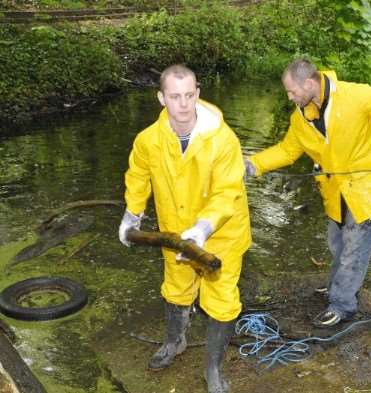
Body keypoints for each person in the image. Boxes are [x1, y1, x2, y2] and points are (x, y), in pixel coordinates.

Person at [245, 58, 371, 328]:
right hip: (335, 193)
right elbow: (287, 150)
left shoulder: (357, 95)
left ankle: (343, 305)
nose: (289, 96)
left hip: (368, 191)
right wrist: (252, 165)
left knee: (354, 250)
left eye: (292, 91)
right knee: (337, 245)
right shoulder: (301, 117)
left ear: (309, 83)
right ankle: (335, 286)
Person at [118, 64, 251, 393]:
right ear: (161, 98)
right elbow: (137, 177)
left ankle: (214, 370)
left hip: (221, 234)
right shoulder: (148, 140)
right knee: (176, 289)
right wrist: (132, 216)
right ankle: (174, 342)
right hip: (175, 235)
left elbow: (227, 190)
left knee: (221, 300)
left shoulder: (223, 140)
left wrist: (204, 227)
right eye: (175, 96)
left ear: (198, 94)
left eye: (189, 95)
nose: (183, 104)